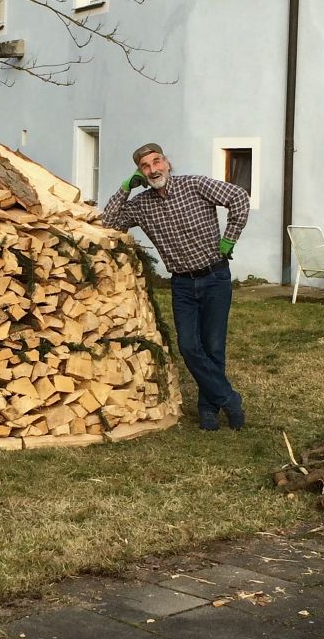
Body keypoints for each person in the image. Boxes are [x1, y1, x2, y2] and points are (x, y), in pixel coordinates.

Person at [102, 142, 250, 431]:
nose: (153, 169)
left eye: (157, 162)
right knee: (189, 346)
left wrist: (230, 237)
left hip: (215, 277)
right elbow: (108, 222)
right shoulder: (141, 205)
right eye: (145, 167)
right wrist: (124, 188)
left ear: (167, 163)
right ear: (140, 173)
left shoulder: (194, 185)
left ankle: (208, 409)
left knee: (213, 346)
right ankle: (230, 399)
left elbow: (239, 197)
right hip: (182, 284)